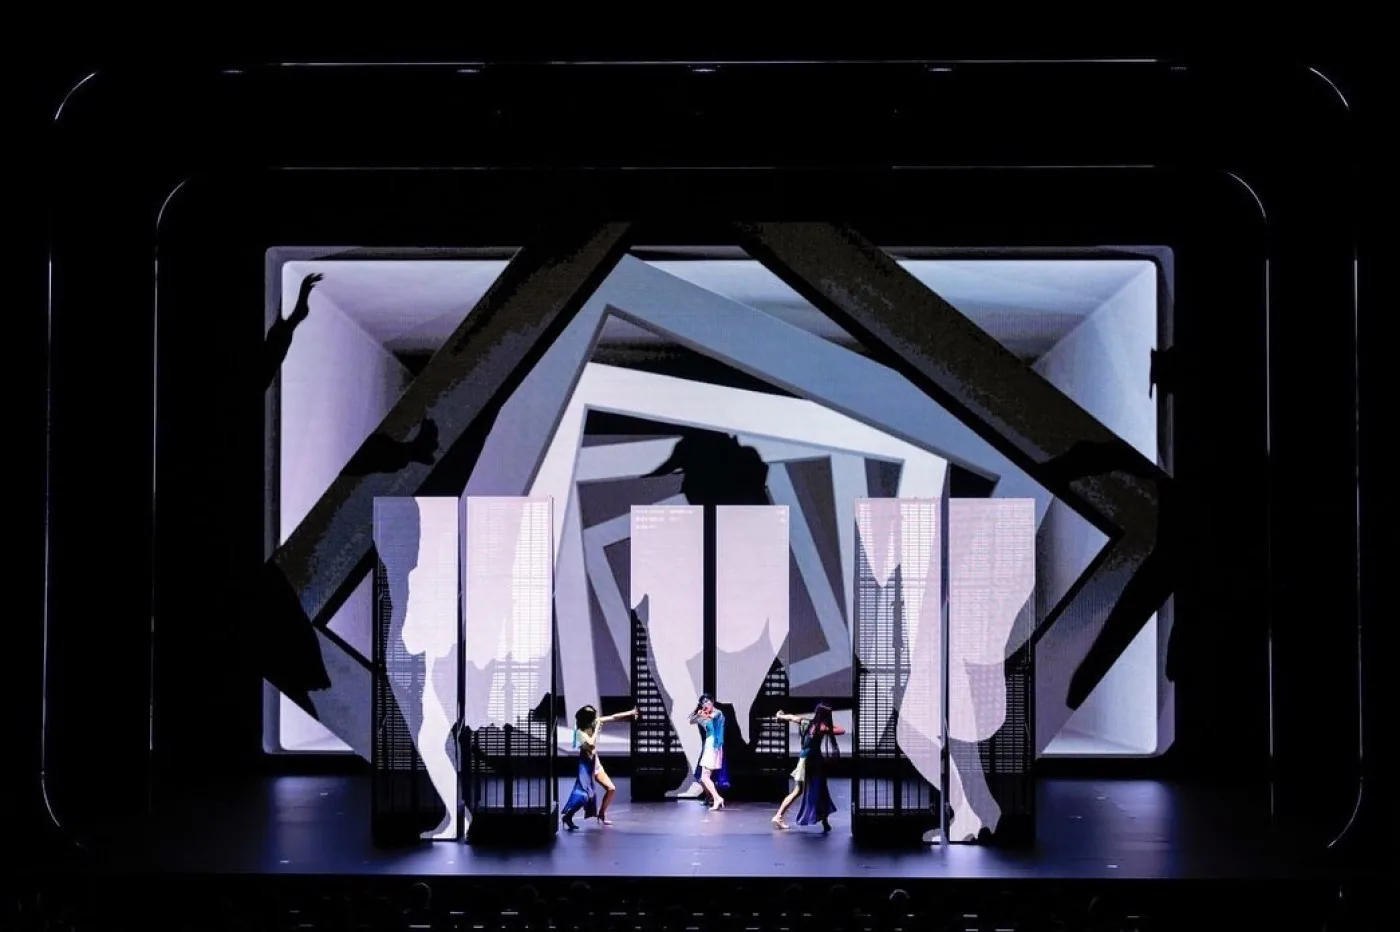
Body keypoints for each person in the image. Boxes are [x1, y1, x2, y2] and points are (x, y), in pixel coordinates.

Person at [562, 704, 637, 830]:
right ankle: (568, 816)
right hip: (585, 767)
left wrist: (630, 713)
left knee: (611, 788)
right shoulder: (580, 732)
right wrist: (597, 728)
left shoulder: (594, 722)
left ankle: (601, 813)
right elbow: (591, 744)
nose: (596, 718)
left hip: (595, 764)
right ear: (587, 719)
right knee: (585, 796)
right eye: (594, 717)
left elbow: (613, 717)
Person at [771, 702, 844, 832]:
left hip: (803, 759)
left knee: (804, 790)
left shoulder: (805, 722)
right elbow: (841, 731)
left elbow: (791, 717)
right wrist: (829, 727)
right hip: (813, 763)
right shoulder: (822, 728)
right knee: (819, 790)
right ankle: (779, 816)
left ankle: (780, 816)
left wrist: (780, 716)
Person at [688, 694, 727, 811]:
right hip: (709, 745)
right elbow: (692, 721)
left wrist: (704, 714)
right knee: (704, 776)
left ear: (712, 701)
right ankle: (715, 798)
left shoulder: (718, 713)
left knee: (705, 776)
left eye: (707, 702)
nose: (705, 704)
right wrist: (698, 714)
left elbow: (712, 717)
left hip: (714, 744)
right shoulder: (704, 716)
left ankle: (717, 798)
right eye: (703, 703)